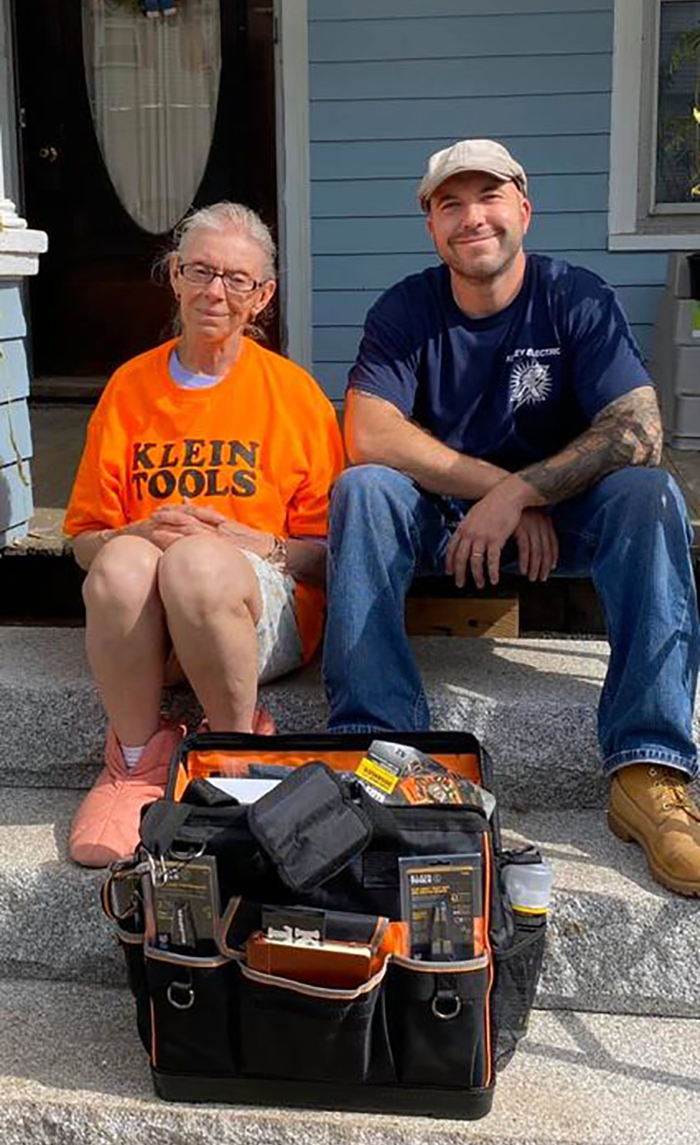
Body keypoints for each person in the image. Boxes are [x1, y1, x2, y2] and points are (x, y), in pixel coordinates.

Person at [322, 138, 700, 897]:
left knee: (649, 492)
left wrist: (526, 493)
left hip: (560, 520)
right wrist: (498, 488)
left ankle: (648, 767)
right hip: (441, 521)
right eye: (450, 203)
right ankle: (383, 747)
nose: (473, 218)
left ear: (522, 209)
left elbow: (639, 429)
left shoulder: (576, 296)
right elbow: (368, 431)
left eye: (488, 197)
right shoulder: (406, 308)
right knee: (363, 489)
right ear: (431, 225)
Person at [65, 201, 343, 868]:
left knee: (196, 563)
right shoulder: (130, 388)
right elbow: (82, 541)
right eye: (200, 270)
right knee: (124, 560)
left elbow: (332, 559)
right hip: (152, 620)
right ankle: (135, 762)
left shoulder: (295, 396)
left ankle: (235, 748)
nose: (215, 291)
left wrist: (248, 542)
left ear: (263, 297)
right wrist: (135, 531)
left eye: (237, 279)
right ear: (174, 278)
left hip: (253, 607)